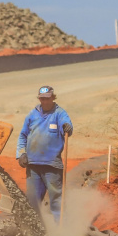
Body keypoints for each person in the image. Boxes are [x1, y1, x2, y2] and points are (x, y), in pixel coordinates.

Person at [16, 85, 73, 222]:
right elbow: (23, 135)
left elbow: (68, 127)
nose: (45, 102)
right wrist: (21, 154)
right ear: (39, 99)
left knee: (56, 200)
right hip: (33, 165)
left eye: (47, 99)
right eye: (42, 99)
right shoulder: (32, 114)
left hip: (52, 166)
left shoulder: (59, 113)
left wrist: (67, 126)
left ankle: (61, 231)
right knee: (32, 201)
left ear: (53, 98)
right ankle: (35, 231)